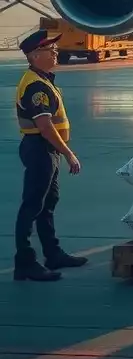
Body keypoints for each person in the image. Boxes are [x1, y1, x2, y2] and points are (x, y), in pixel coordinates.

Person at [14, 28, 87, 282]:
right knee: (32, 205)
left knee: (47, 204)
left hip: (46, 150)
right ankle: (24, 262)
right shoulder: (35, 86)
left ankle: (52, 253)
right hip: (40, 149)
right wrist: (68, 154)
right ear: (35, 55)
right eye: (50, 50)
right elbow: (45, 127)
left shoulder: (43, 79)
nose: (55, 52)